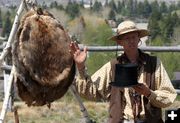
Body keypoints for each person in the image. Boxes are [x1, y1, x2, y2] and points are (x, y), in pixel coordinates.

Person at [69, 20, 177, 123]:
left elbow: (169, 96)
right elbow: (90, 91)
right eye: (127, 38)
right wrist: (81, 66)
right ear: (120, 42)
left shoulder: (154, 64)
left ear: (138, 38)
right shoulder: (112, 66)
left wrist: (149, 93)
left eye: (134, 37)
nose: (131, 41)